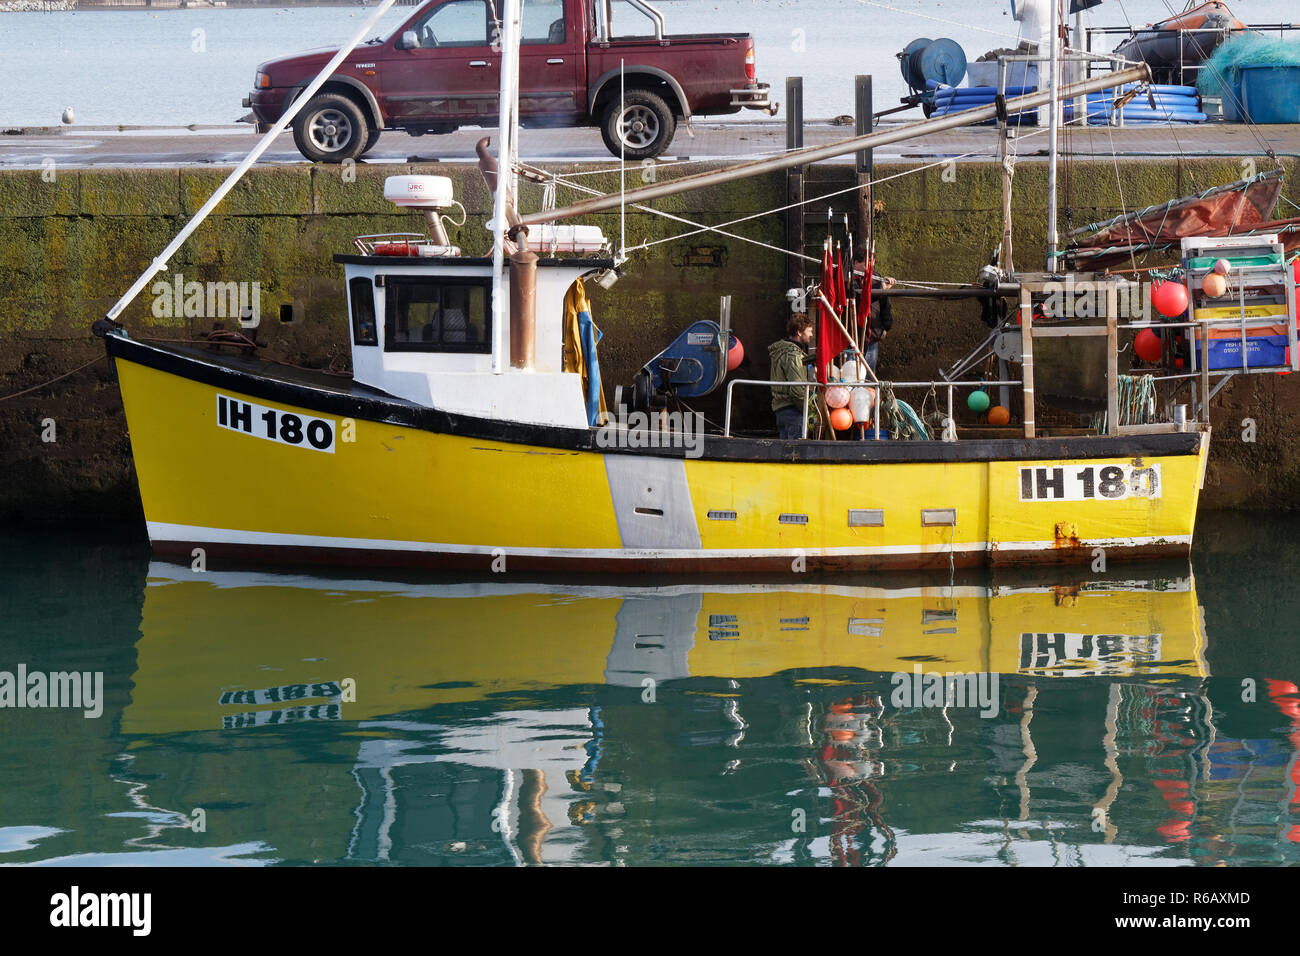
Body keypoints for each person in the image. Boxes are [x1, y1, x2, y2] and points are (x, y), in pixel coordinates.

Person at [769, 312, 815, 439]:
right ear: (799, 332)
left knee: (784, 453)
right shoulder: (793, 355)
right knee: (796, 454)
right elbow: (797, 390)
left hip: (780, 410)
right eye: (809, 331)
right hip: (793, 411)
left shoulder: (780, 350)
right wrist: (808, 411)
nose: (811, 334)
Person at [851, 247, 895, 375]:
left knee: (870, 377)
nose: (868, 268)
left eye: (871, 264)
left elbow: (885, 305)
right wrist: (880, 288)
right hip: (851, 338)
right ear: (855, 263)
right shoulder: (847, 279)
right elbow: (860, 299)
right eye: (865, 265)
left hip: (872, 337)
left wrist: (886, 328)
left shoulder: (876, 277)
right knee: (851, 375)